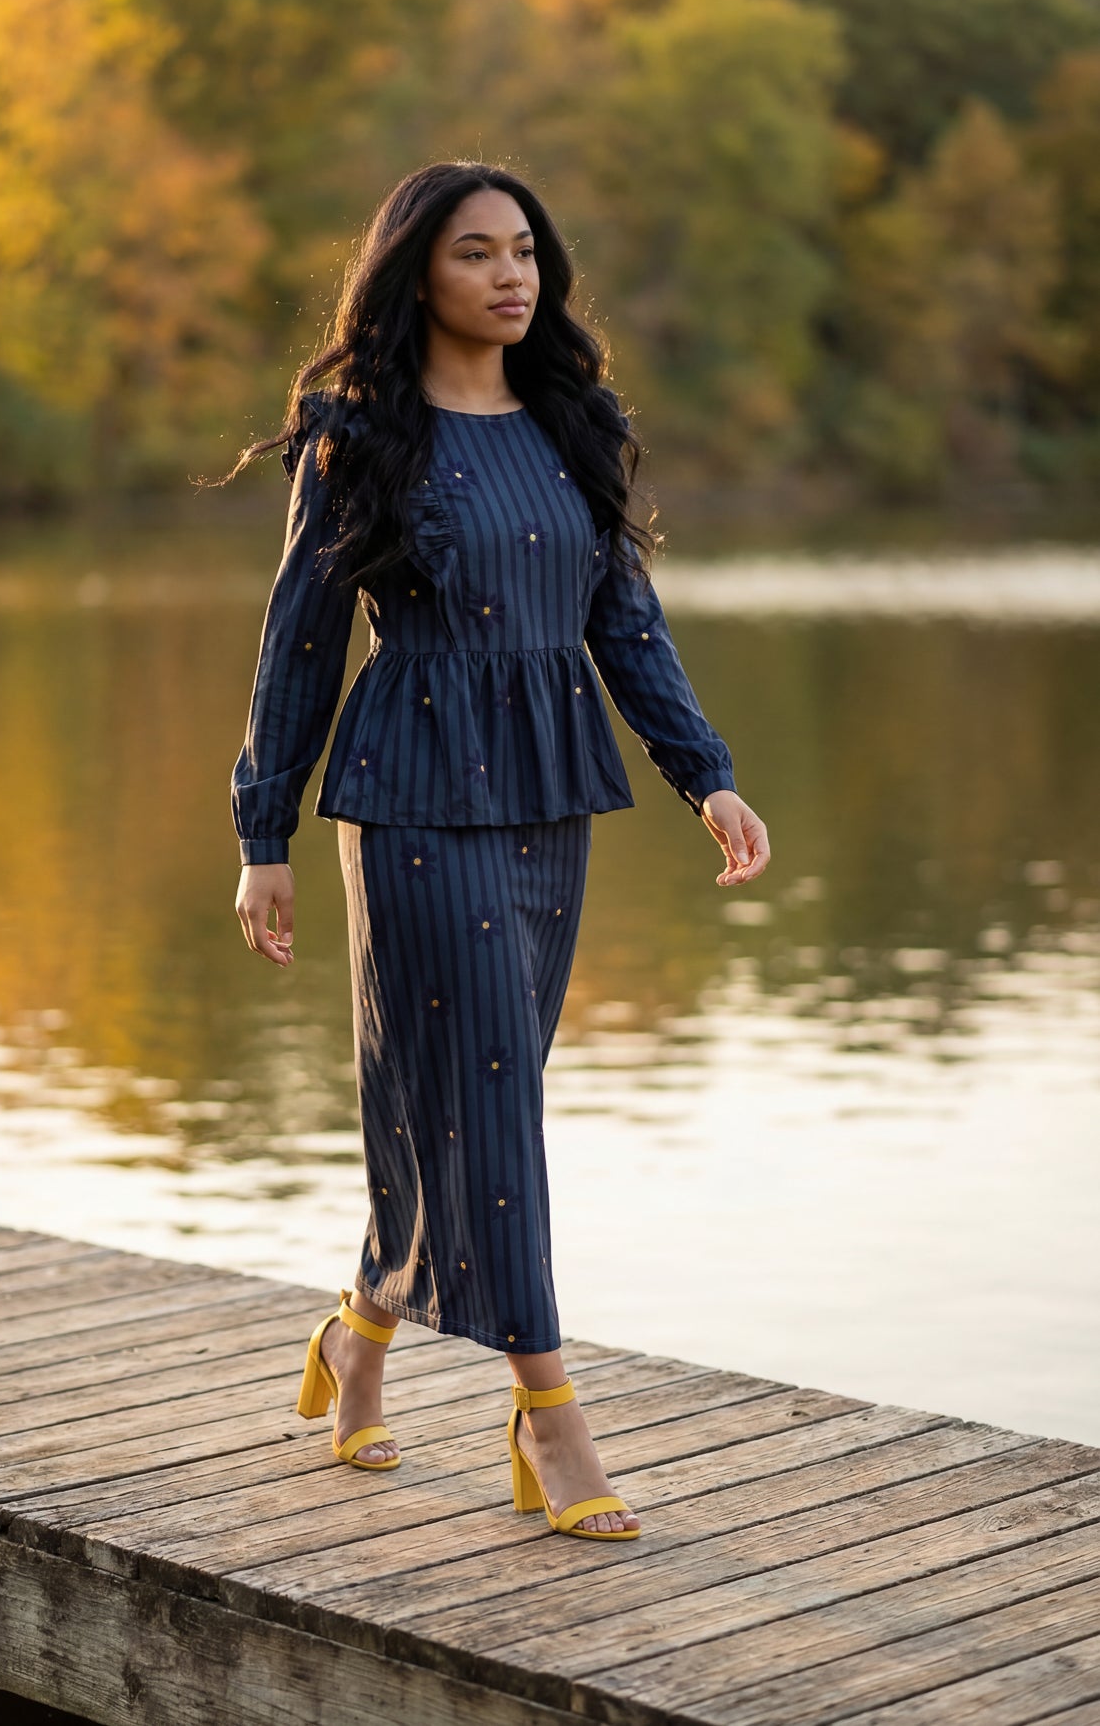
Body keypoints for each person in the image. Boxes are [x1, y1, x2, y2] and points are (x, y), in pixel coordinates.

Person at [228, 161, 770, 1541]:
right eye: (475, 253)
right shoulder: (363, 428)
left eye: (523, 251)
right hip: (408, 794)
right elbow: (299, 635)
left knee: (471, 1093)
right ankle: (550, 1414)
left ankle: (361, 1331)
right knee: (492, 1110)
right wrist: (263, 831)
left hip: (544, 793)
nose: (509, 275)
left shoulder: (569, 424)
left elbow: (623, 625)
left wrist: (703, 776)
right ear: (417, 274)